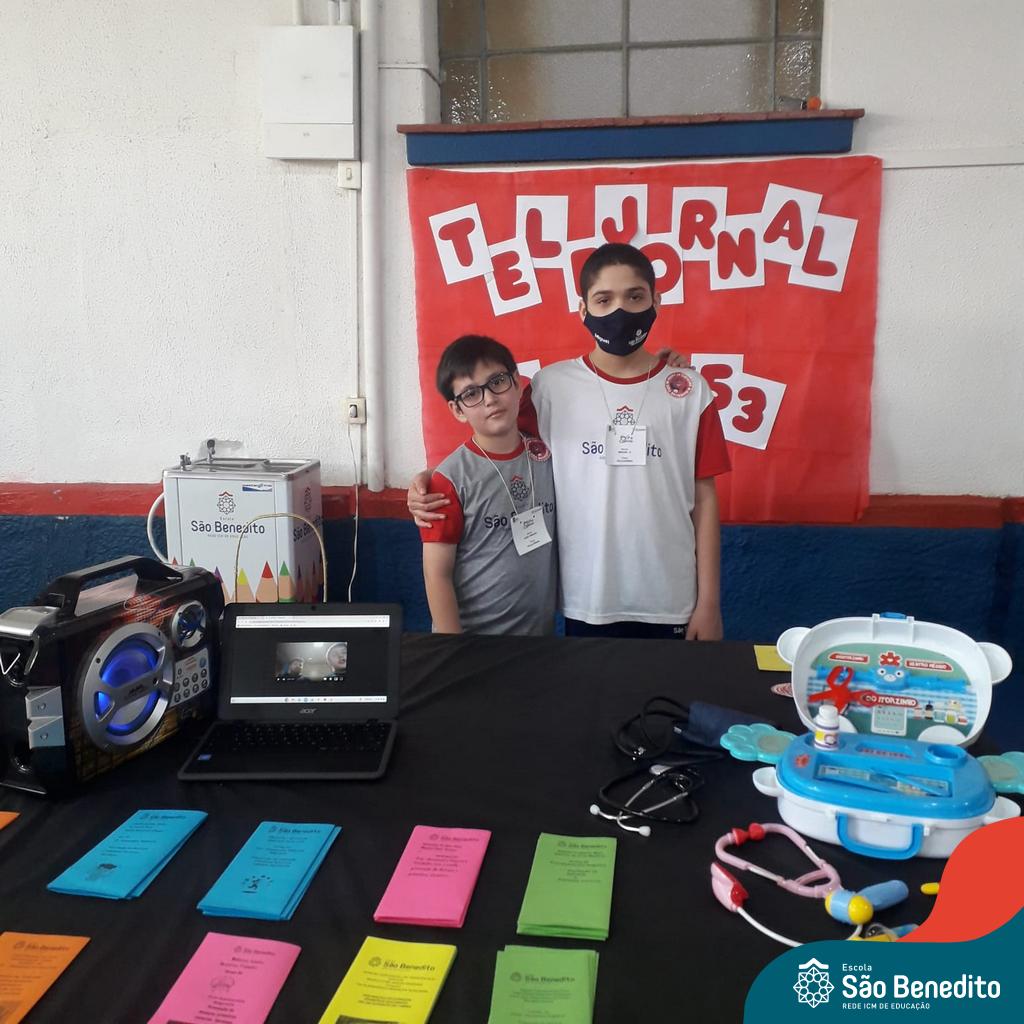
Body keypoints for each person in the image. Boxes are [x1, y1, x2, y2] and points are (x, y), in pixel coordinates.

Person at [412, 243, 730, 640]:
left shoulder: (690, 392)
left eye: (634, 297)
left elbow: (705, 499)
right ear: (583, 309)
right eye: (604, 299)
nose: (620, 311)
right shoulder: (550, 387)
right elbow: (498, 447)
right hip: (587, 599)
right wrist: (431, 481)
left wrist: (709, 602)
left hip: (672, 598)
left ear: (656, 301)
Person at [420, 334, 557, 636]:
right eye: (471, 393)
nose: (490, 399)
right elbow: (436, 574)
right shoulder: (448, 481)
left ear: (517, 383)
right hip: (474, 645)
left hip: (540, 640)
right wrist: (453, 648)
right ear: (457, 410)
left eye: (497, 381)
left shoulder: (548, 457)